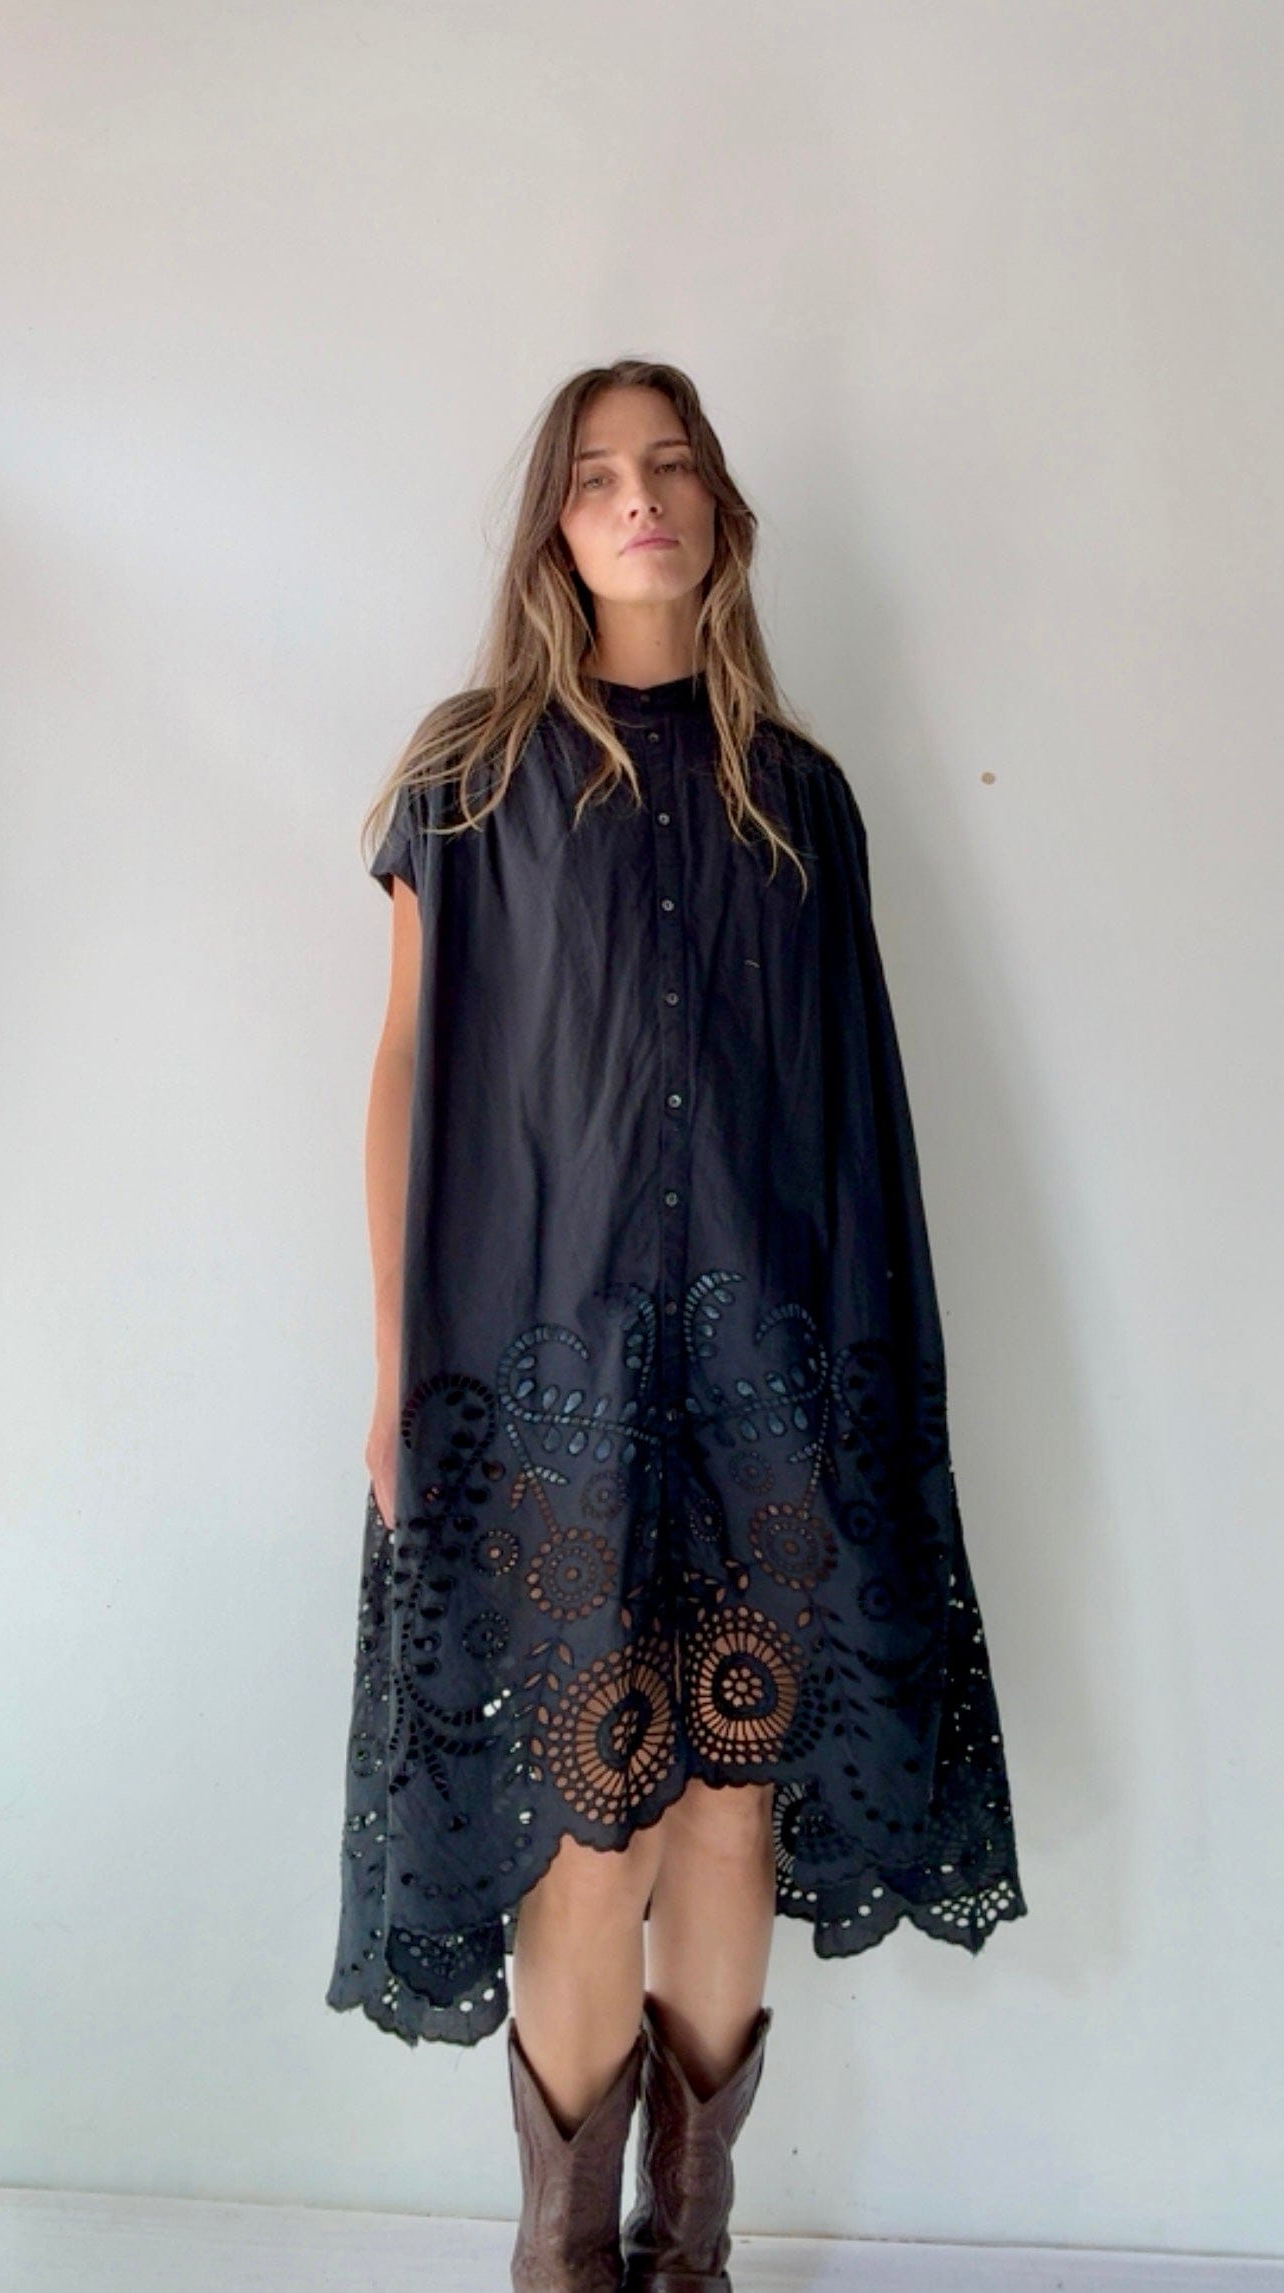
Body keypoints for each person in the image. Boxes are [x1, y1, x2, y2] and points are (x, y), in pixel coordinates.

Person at [326, 359, 1027, 2293]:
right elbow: (402, 1071)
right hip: (543, 1388)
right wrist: (393, 1375)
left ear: (717, 508)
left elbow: (852, 1115)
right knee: (588, 1826)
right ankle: (564, 2261)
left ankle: (687, 2251)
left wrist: (868, 1411)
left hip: (762, 1393)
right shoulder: (468, 782)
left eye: (668, 466)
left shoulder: (797, 799)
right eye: (594, 477)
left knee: (726, 1816)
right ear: (553, 530)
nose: (636, 498)